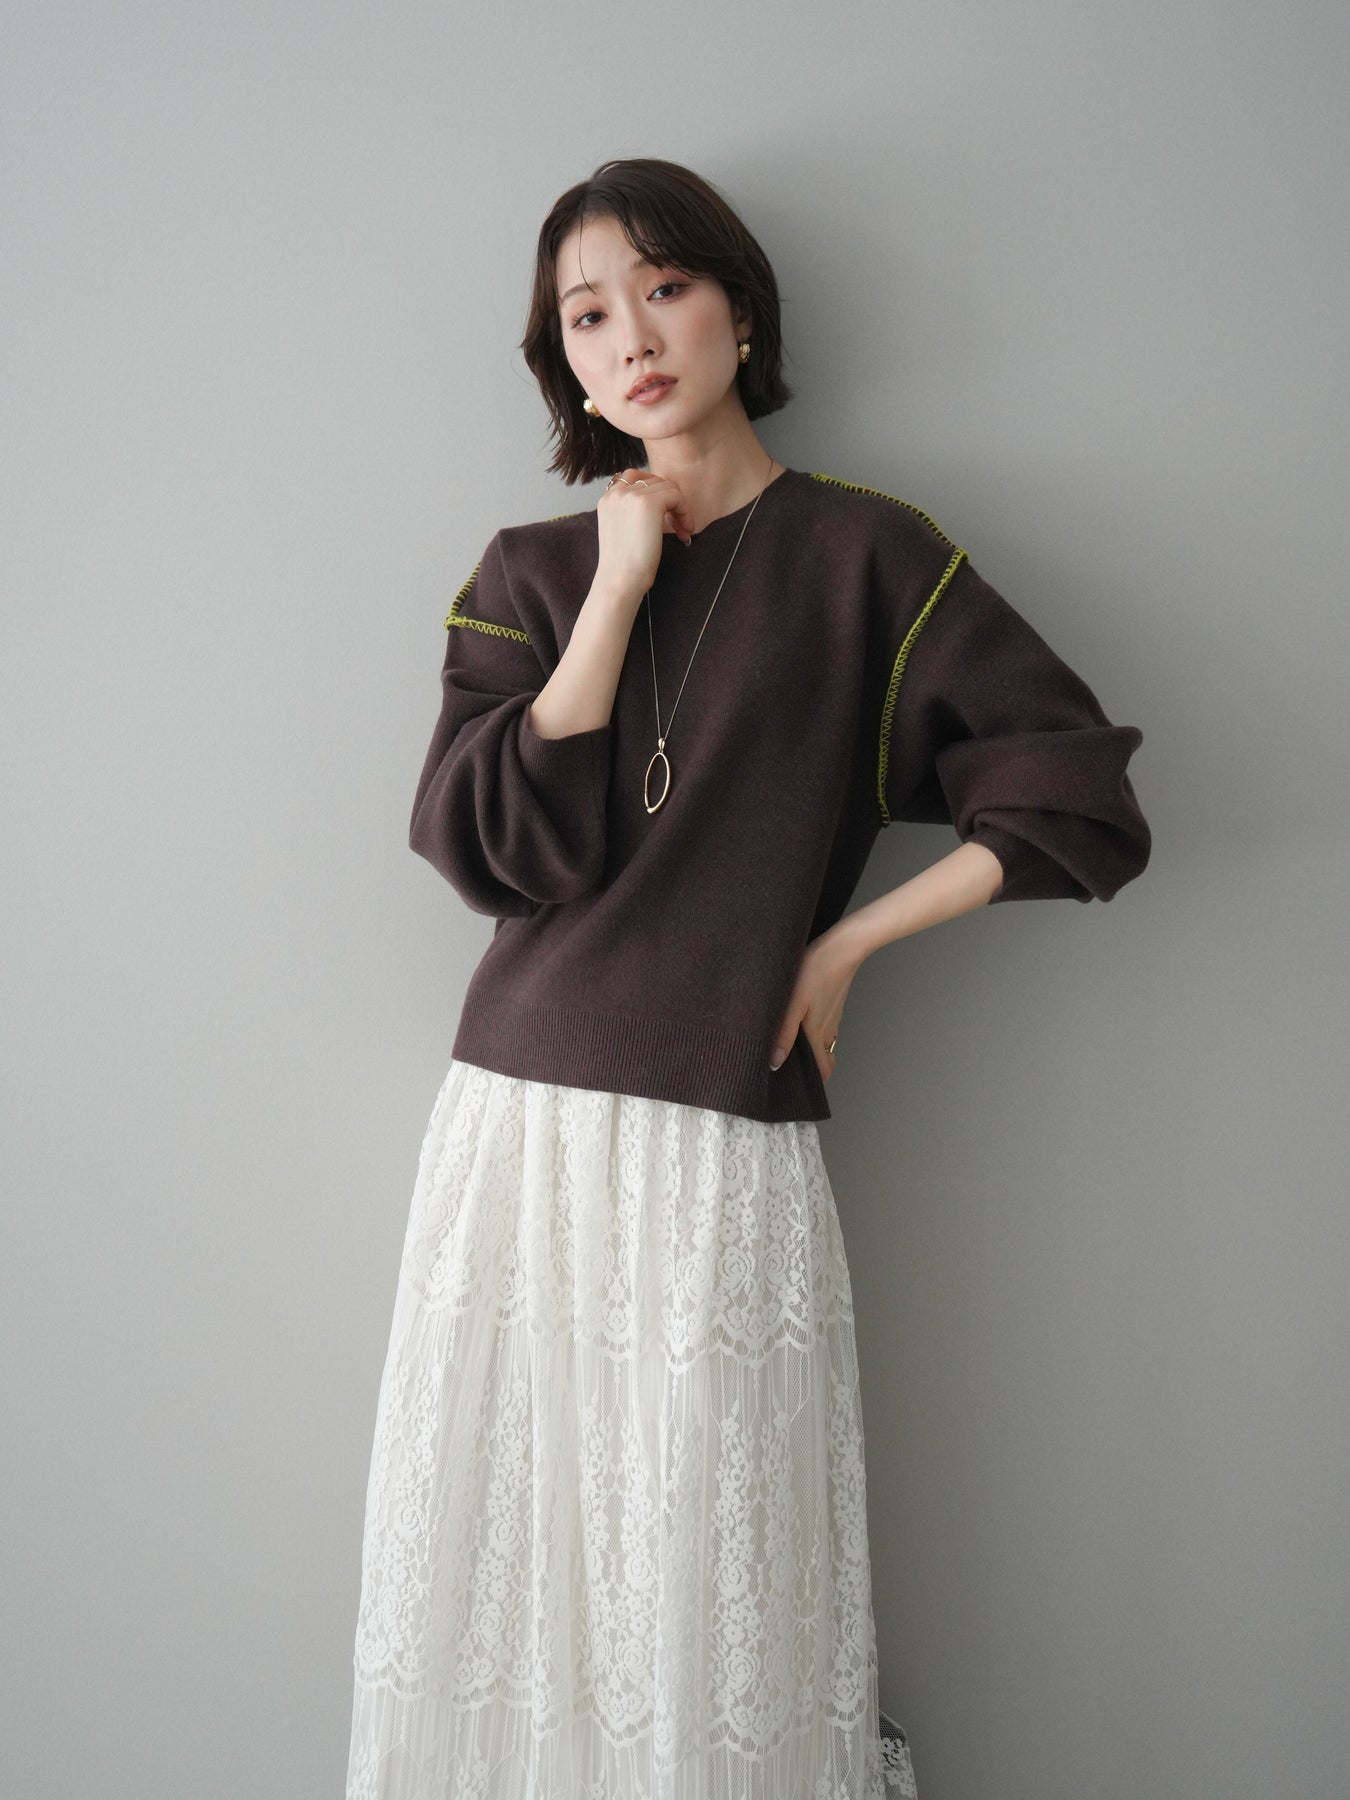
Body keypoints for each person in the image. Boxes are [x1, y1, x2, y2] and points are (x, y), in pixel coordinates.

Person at [345, 157, 1151, 1800]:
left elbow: (1073, 796)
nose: (633, 337)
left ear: (739, 311)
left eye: (665, 289)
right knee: (510, 1559)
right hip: (516, 1131)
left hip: (721, 1125)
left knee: (712, 1566)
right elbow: (491, 849)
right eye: (588, 316)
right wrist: (616, 584)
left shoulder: (869, 559)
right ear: (564, 364)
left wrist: (846, 944)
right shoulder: (527, 572)